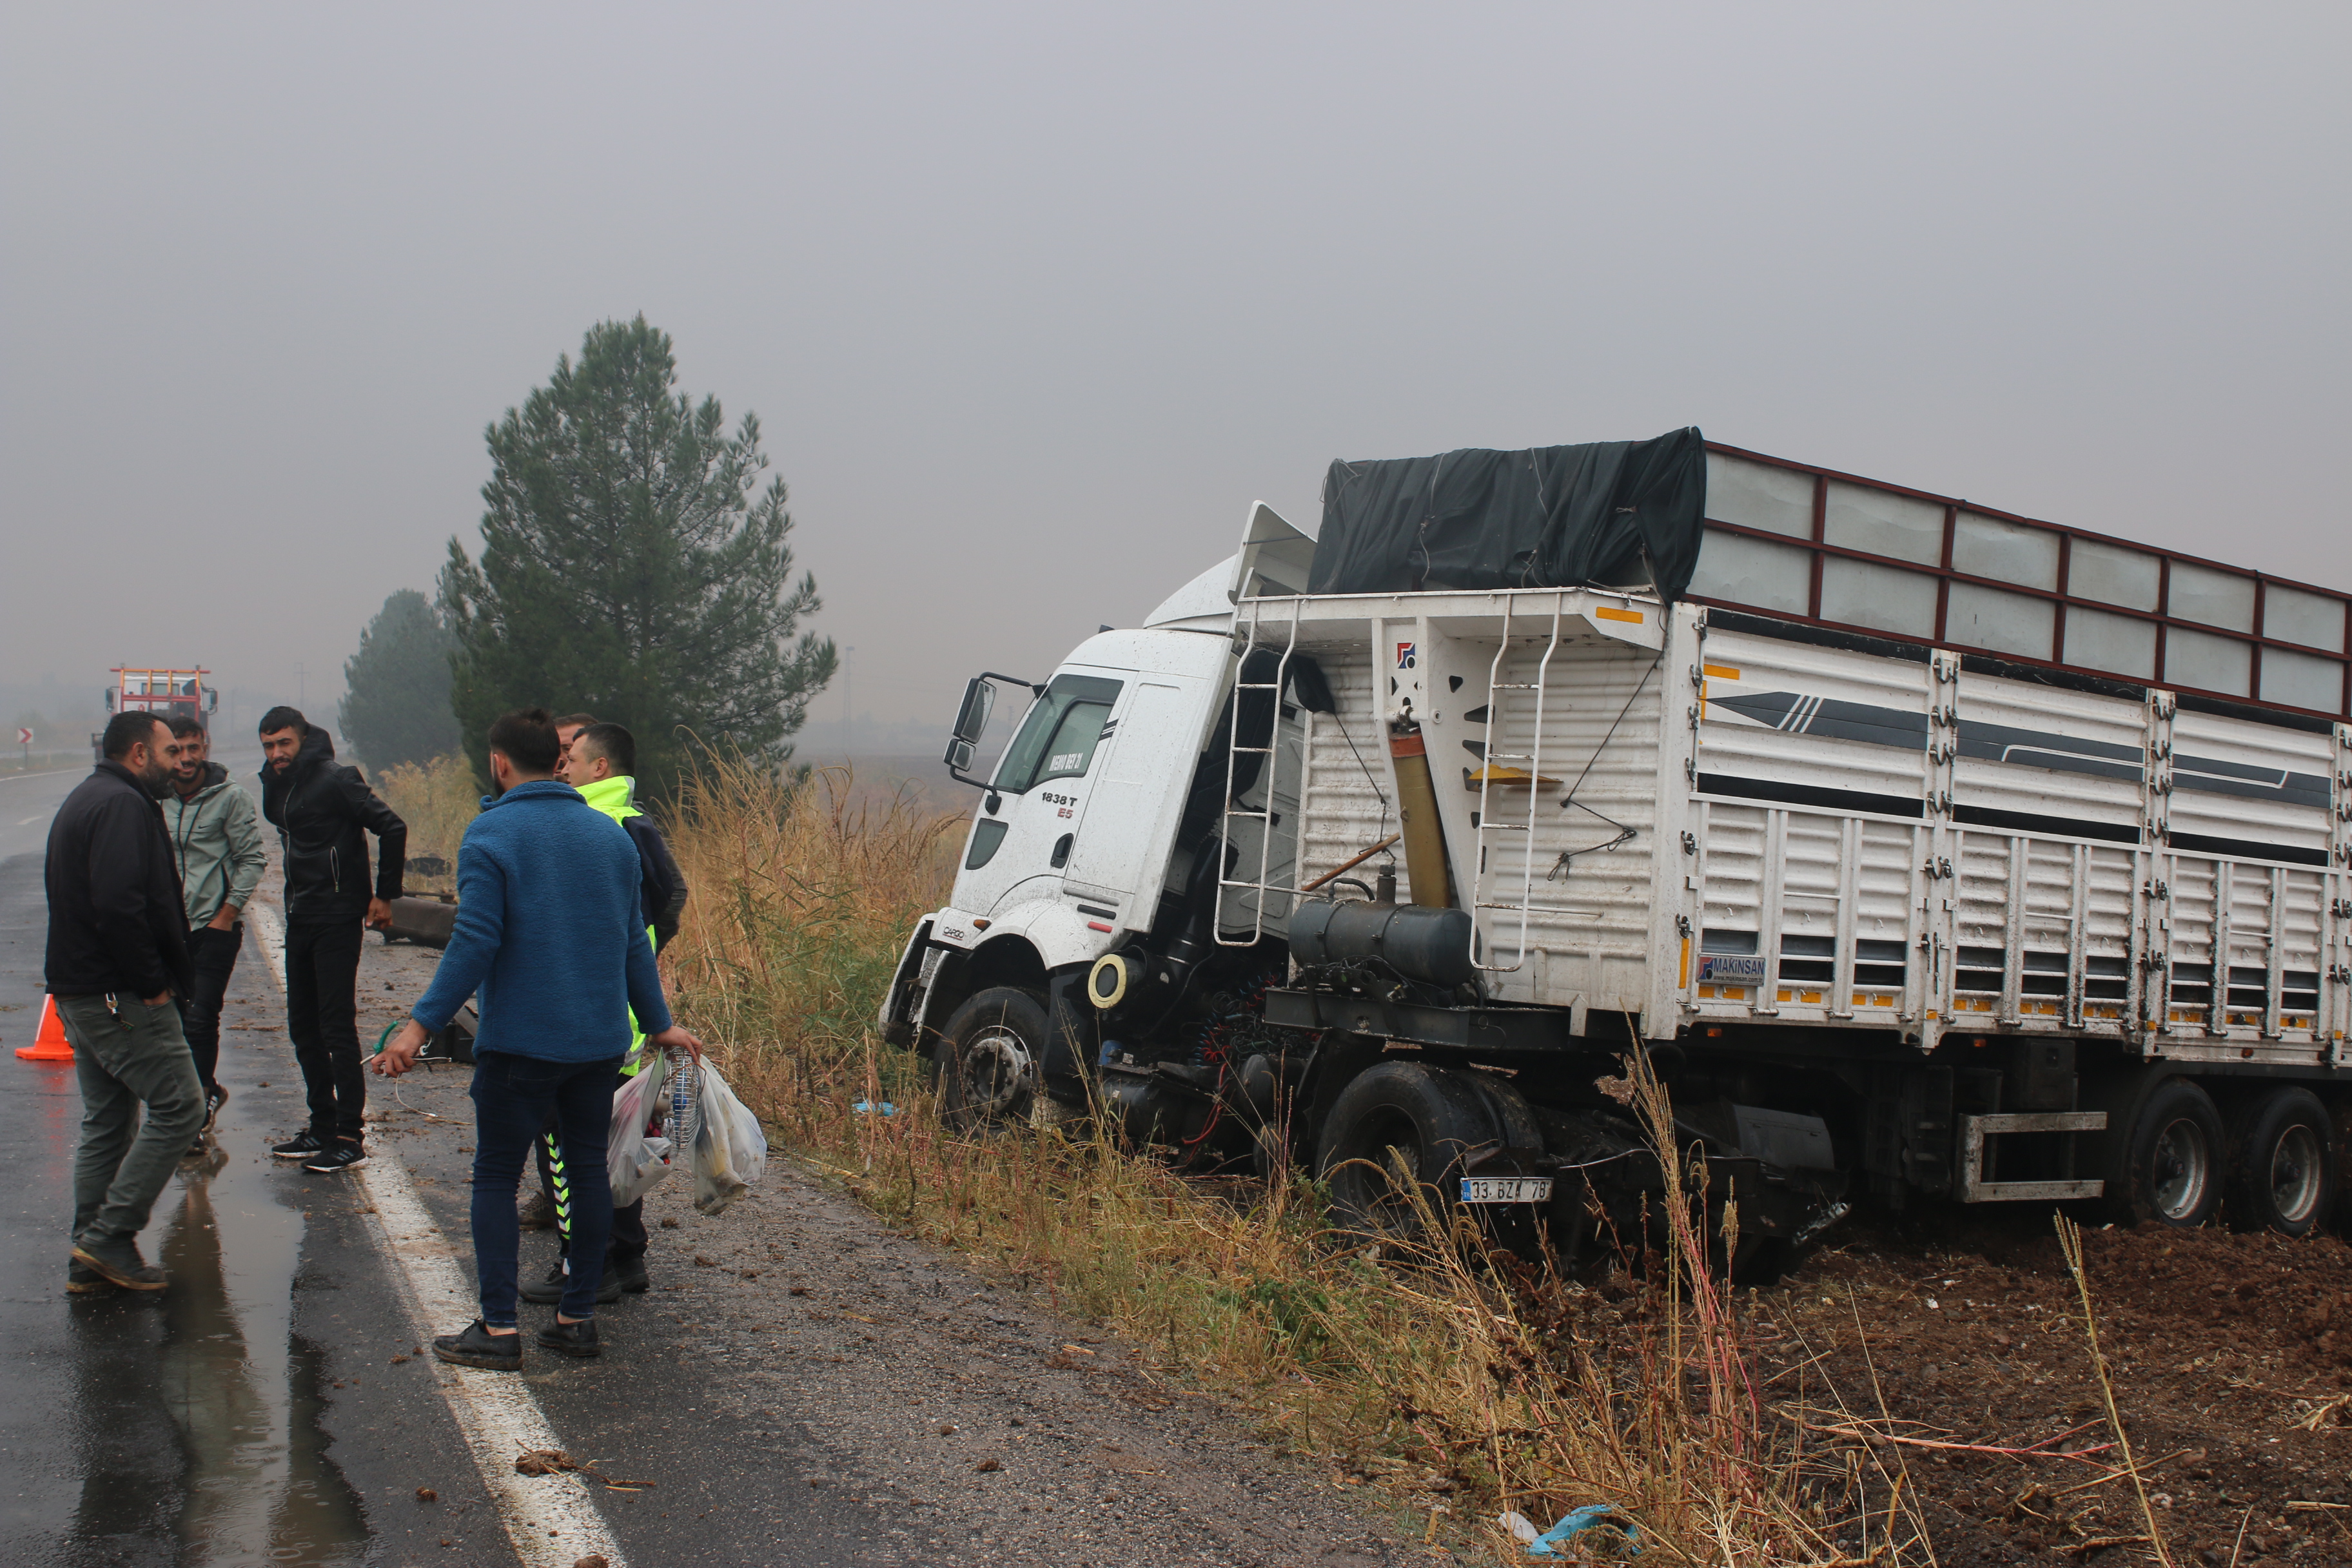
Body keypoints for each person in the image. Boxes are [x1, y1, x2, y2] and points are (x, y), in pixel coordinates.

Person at [373, 708, 703, 1369]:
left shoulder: (491, 834)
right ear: (556, 762)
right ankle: (576, 1317)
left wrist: (418, 1026)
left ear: (500, 763)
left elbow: (475, 940)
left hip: (520, 1043)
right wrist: (659, 1020)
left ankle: (498, 1330)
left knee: (495, 1174)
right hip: (597, 1042)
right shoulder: (611, 837)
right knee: (586, 1170)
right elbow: (633, 942)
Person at [521, 721, 688, 1302]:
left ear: (601, 769)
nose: (561, 766)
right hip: (622, 1013)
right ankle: (625, 1255)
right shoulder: (632, 821)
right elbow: (671, 900)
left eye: (572, 759)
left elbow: (661, 906)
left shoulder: (595, 824)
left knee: (571, 1145)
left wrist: (624, 964)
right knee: (615, 1138)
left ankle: (585, 1268)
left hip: (590, 1017)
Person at [46, 712, 202, 1293]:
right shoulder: (121, 806)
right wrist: (152, 981)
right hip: (118, 993)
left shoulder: (88, 797)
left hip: (80, 991)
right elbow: (117, 902)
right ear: (139, 753)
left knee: (109, 1120)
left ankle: (89, 1256)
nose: (180, 762)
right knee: (181, 1107)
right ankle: (110, 1236)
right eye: (169, 752)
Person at [257, 707, 406, 1174]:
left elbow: (392, 826)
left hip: (339, 914)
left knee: (335, 1026)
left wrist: (384, 896)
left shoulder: (336, 778)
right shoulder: (278, 783)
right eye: (268, 745)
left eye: (284, 743)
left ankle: (349, 1137)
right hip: (300, 913)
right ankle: (321, 1127)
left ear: (303, 739)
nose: (276, 753)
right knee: (302, 1027)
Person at [162, 714, 266, 1152]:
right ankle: (202, 1091)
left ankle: (196, 1113)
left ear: (205, 746)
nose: (186, 759)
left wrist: (227, 913)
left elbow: (252, 859)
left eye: (193, 748)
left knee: (202, 1018)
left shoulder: (230, 798)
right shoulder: (155, 799)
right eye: (177, 750)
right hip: (169, 929)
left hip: (214, 926)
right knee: (176, 1020)